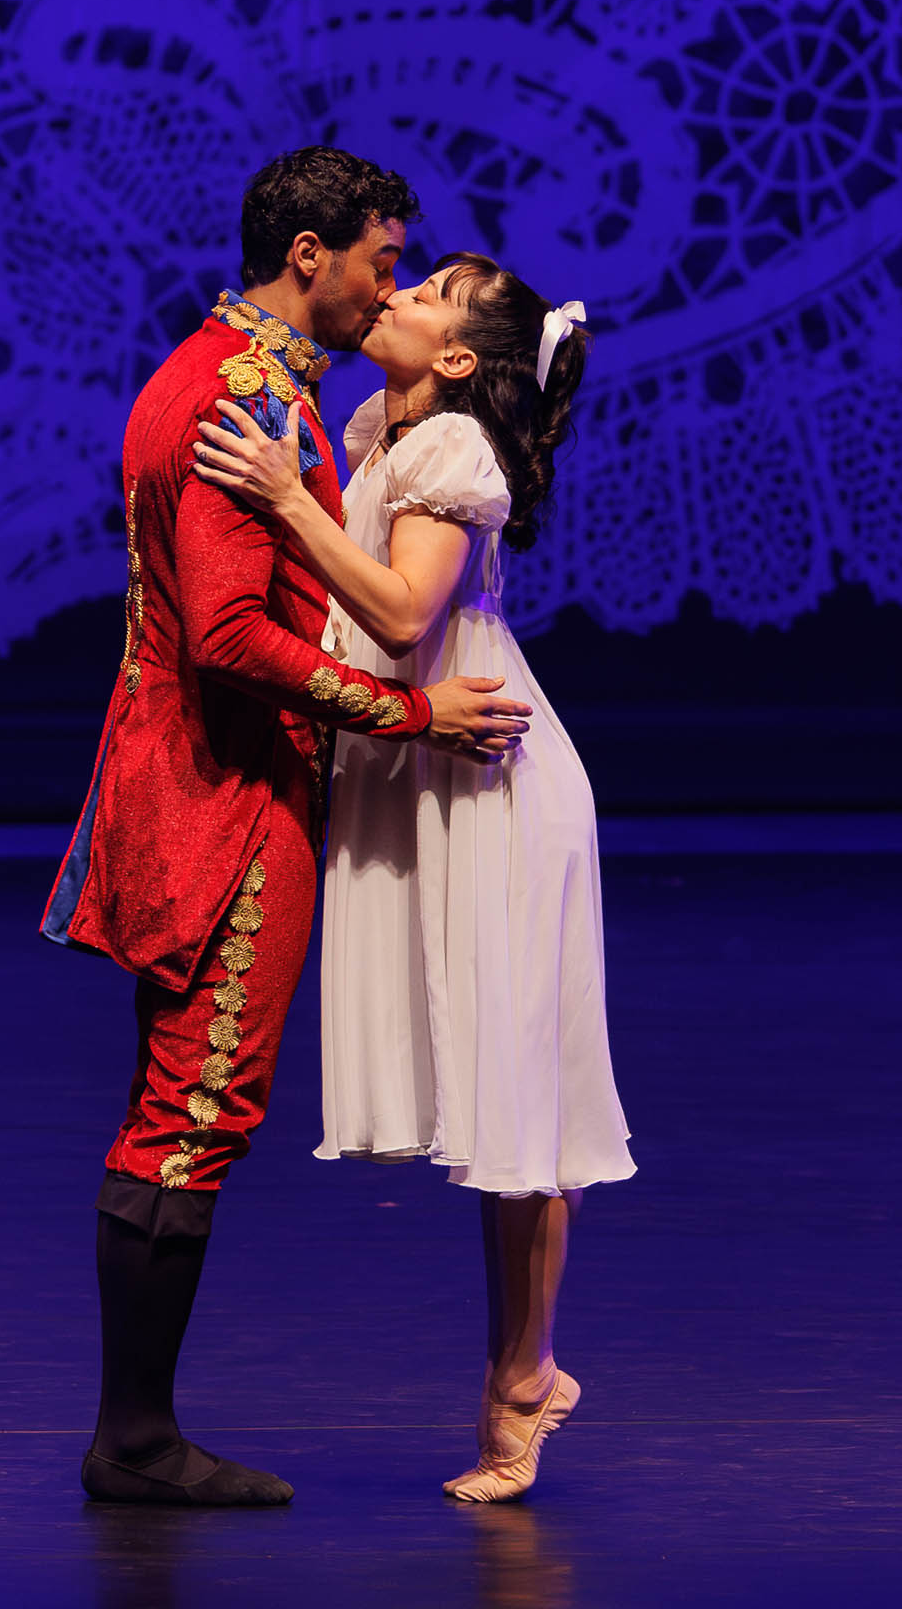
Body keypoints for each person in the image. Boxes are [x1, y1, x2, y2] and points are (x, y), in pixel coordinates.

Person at [41, 151, 535, 1508]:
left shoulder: (224, 375)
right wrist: (412, 715)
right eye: (384, 261)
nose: (389, 289)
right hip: (228, 789)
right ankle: (135, 1439)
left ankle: (136, 1432)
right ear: (310, 254)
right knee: (194, 1108)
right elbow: (229, 634)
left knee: (179, 1103)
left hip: (196, 769)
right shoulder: (242, 394)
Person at [193, 251, 631, 1505]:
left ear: (456, 357)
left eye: (427, 292)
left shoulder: (451, 449)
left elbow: (398, 613)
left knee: (524, 1106)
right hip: (425, 764)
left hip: (490, 780)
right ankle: (523, 1372)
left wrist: (287, 499)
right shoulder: (380, 433)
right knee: (498, 1106)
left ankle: (523, 1378)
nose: (393, 294)